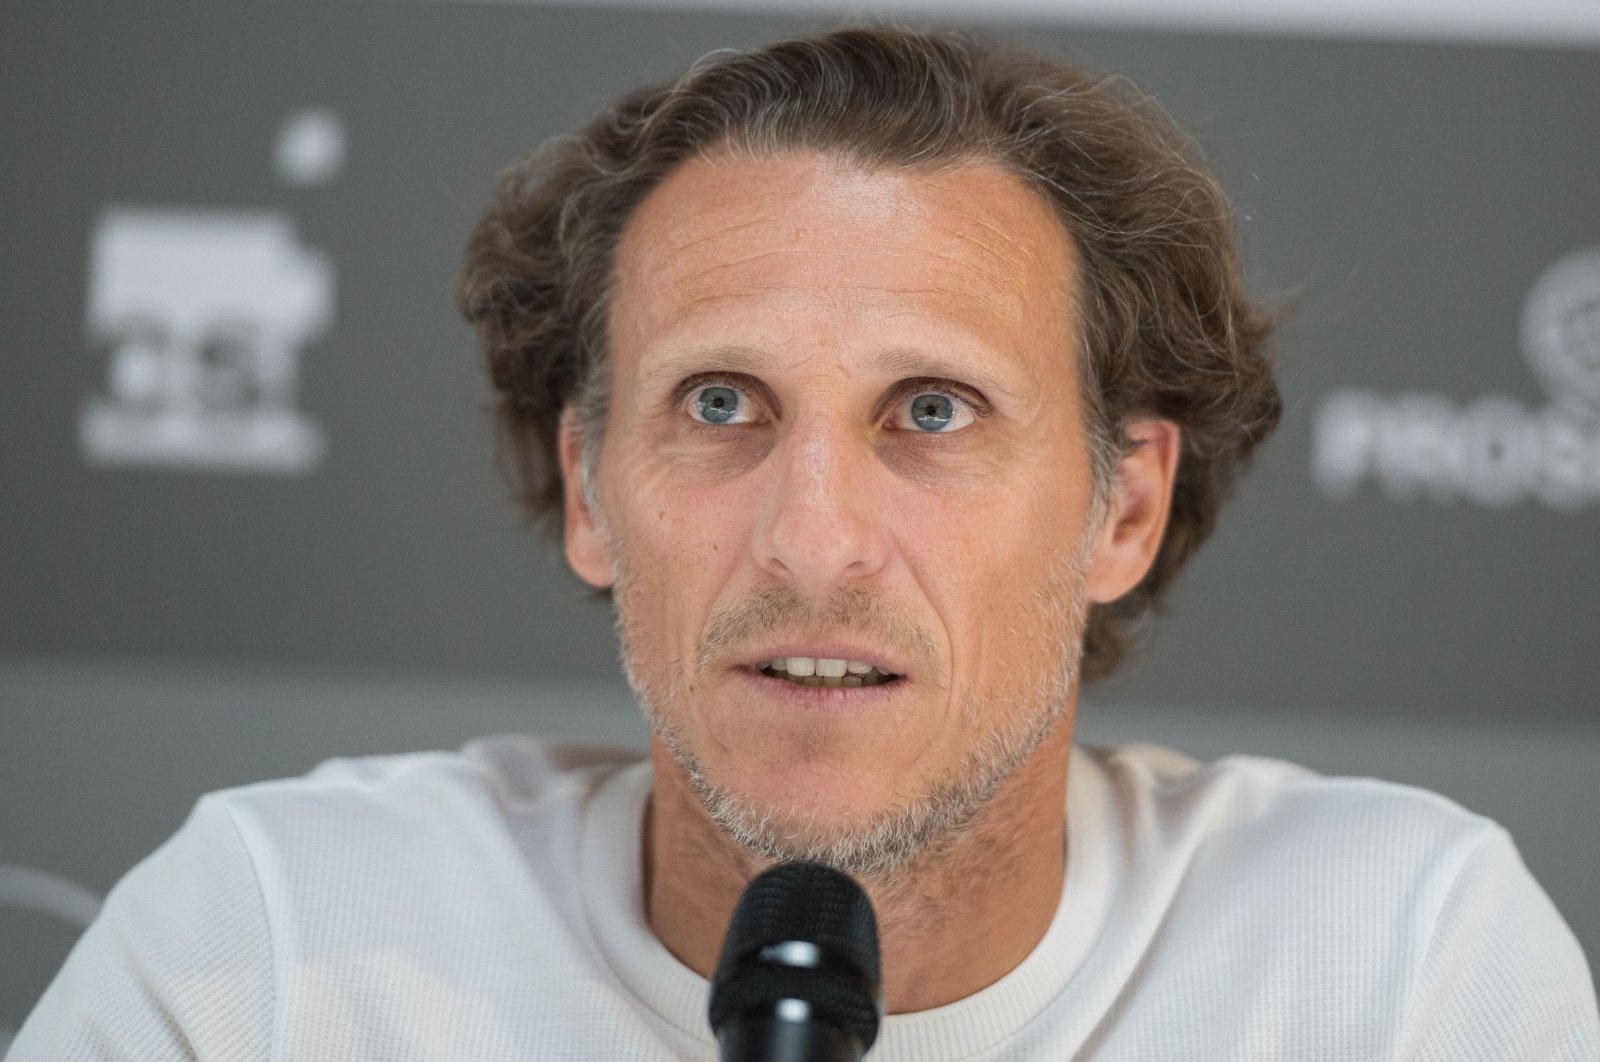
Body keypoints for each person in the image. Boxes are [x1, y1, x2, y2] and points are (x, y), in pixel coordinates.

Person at [14, 25, 1598, 1061]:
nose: (815, 538)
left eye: (931, 411)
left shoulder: (1400, 965)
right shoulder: (273, 948)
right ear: (588, 487)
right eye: (720, 402)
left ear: (1122, 504)